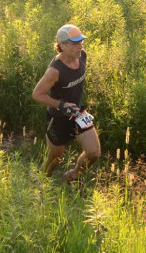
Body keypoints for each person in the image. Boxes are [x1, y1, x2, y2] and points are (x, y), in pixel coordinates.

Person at [32, 24, 101, 184]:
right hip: (58, 118)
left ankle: (73, 175)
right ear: (62, 45)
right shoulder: (54, 70)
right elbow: (37, 94)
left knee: (93, 153)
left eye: (81, 41)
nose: (80, 46)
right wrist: (62, 105)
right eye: (75, 43)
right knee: (55, 159)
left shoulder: (82, 55)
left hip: (78, 113)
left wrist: (73, 106)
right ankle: (40, 189)